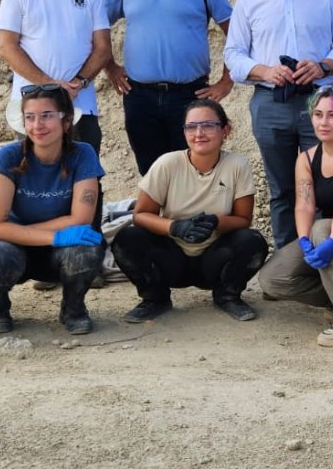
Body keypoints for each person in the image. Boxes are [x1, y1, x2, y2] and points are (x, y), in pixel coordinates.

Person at [223, 0, 333, 249]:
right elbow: (233, 55)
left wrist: (322, 65)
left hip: (320, 104)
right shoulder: (248, 2)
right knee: (281, 186)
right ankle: (287, 261)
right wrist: (265, 70)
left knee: (327, 183)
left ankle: (328, 254)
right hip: (271, 105)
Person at [103, 0, 235, 176]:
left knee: (194, 170)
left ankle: (192, 219)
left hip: (189, 95)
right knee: (151, 173)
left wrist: (226, 82)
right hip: (139, 96)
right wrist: (110, 68)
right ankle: (159, 219)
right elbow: (97, 29)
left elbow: (234, 31)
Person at [0, 84, 106, 335]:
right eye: (30, 117)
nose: (37, 125)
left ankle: (73, 308)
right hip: (12, 247)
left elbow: (80, 219)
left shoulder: (82, 154)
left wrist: (14, 230)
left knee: (85, 249)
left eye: (47, 116)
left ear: (66, 120)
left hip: (55, 248)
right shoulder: (8, 156)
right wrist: (49, 234)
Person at [111, 98, 267, 322]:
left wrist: (216, 222)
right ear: (184, 131)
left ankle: (228, 295)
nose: (199, 133)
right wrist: (174, 227)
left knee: (252, 240)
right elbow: (141, 215)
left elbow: (244, 219)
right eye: (191, 126)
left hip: (213, 258)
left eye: (209, 125)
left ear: (226, 130)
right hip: (171, 258)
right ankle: (155, 298)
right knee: (128, 238)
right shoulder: (168, 163)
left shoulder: (237, 165)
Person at [257, 86, 333, 346]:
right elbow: (304, 205)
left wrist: (332, 240)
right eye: (318, 114)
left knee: (322, 228)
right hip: (330, 239)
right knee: (272, 279)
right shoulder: (306, 158)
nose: (324, 122)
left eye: (332, 115)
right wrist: (303, 240)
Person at [0, 0, 111, 156]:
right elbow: (7, 46)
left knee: (87, 183)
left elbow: (102, 48)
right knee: (36, 185)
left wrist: (78, 83)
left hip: (81, 109)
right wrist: (50, 87)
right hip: (33, 111)